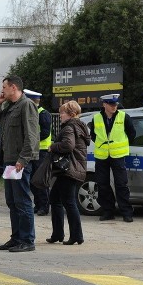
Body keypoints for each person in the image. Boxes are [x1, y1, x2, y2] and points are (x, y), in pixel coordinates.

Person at [0, 75, 39, 252]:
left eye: (4, 87)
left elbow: (32, 136)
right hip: (9, 160)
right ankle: (16, 237)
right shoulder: (10, 106)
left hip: (20, 162)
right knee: (12, 201)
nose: (2, 90)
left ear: (13, 87)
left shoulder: (26, 105)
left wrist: (23, 159)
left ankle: (27, 240)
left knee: (23, 201)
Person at [45, 100, 89, 245]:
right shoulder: (79, 126)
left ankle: (76, 236)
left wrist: (53, 146)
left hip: (69, 169)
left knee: (68, 202)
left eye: (62, 113)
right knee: (56, 199)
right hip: (75, 168)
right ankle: (58, 234)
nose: (60, 115)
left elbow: (68, 145)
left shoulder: (69, 127)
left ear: (71, 114)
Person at [88, 93, 136, 222]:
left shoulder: (124, 117)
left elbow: (132, 134)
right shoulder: (96, 118)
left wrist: (120, 145)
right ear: (104, 105)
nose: (114, 106)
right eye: (111, 104)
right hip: (101, 155)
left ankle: (126, 212)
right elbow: (93, 135)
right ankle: (108, 211)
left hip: (118, 155)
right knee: (102, 184)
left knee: (121, 184)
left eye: (115, 104)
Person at [25, 89, 52, 216]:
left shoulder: (43, 114)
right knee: (32, 180)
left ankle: (44, 206)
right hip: (32, 150)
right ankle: (37, 204)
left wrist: (31, 140)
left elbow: (45, 133)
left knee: (40, 180)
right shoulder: (31, 112)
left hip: (42, 151)